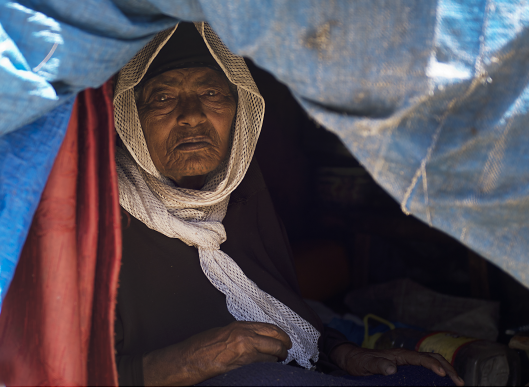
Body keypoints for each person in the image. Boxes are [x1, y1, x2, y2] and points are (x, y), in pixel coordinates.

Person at [113, 22, 465, 386]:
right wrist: (192, 361)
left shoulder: (242, 194)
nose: (192, 115)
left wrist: (344, 353)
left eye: (211, 93)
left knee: (427, 378)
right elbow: (68, 371)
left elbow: (284, 312)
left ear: (240, 111)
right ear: (131, 119)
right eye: (163, 98)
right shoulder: (103, 217)